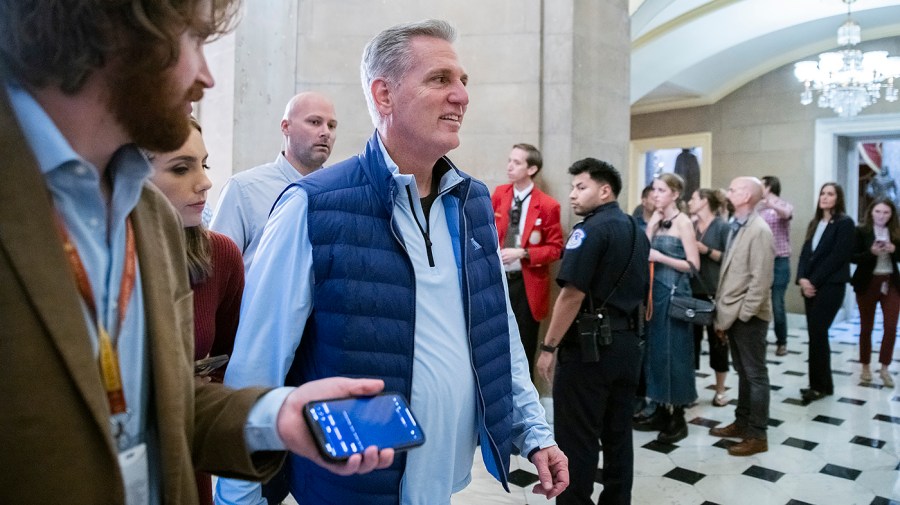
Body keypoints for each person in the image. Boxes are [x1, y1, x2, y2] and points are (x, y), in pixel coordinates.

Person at [0, 1, 394, 503]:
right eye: (195, 40)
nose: (206, 77)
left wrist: (278, 416)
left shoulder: (149, 213)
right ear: (113, 30)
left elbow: (160, 405)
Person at [216, 19, 568, 505]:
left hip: (442, 476)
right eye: (441, 80)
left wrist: (534, 430)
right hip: (357, 480)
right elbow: (258, 364)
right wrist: (239, 497)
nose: (462, 96)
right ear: (384, 95)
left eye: (463, 82)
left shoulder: (472, 203)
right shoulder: (313, 205)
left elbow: (495, 328)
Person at [535, 158, 650, 505]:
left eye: (580, 187)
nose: (572, 194)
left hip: (589, 350)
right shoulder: (635, 229)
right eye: (572, 187)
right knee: (618, 435)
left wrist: (549, 347)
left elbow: (571, 294)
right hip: (628, 344)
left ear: (604, 190)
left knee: (577, 438)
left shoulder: (589, 231)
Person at [147, 118, 245, 504]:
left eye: (204, 164)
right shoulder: (103, 258)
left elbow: (229, 359)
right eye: (181, 168)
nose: (204, 182)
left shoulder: (220, 255)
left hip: (187, 447)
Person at [210, 91, 337, 271]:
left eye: (331, 126)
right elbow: (217, 271)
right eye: (314, 122)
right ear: (286, 126)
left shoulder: (340, 194)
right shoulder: (244, 190)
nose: (326, 133)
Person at [707, 177, 774, 457]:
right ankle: (742, 422)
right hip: (733, 313)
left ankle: (757, 435)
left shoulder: (759, 229)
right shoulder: (739, 224)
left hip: (748, 316)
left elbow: (760, 281)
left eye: (733, 189)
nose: (727, 192)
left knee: (755, 375)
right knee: (744, 373)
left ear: (746, 195)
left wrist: (743, 315)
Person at [634, 173, 699, 444]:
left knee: (675, 353)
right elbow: (641, 250)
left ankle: (678, 416)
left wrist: (661, 257)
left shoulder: (684, 223)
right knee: (655, 353)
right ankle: (660, 407)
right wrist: (651, 228)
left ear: (674, 193)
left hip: (674, 294)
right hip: (653, 295)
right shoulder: (656, 221)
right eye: (654, 190)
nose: (655, 194)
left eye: (661, 190)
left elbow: (693, 265)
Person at [491, 143, 564, 375]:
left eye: (517, 162)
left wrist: (523, 253)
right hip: (498, 280)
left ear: (531, 169)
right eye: (509, 160)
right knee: (495, 345)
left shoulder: (548, 205)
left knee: (523, 347)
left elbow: (556, 249)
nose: (509, 166)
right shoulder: (499, 194)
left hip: (527, 284)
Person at [797, 182, 854, 404]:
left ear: (838, 198)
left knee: (819, 332)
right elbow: (805, 253)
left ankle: (820, 386)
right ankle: (820, 384)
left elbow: (837, 257)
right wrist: (802, 279)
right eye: (823, 193)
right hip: (809, 285)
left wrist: (813, 281)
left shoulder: (844, 223)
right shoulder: (815, 223)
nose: (825, 197)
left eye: (830, 194)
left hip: (830, 286)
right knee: (815, 336)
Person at [850, 197, 900, 388]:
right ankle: (865, 366)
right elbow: (853, 257)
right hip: (868, 282)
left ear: (891, 215)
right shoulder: (861, 231)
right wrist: (871, 252)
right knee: (866, 327)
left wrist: (893, 249)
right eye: (878, 212)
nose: (881, 216)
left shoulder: (895, 232)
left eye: (886, 212)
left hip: (891, 281)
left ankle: (885, 368)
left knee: (891, 326)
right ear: (871, 212)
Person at [687, 188, 730, 407]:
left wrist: (706, 250)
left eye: (694, 198)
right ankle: (690, 390)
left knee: (718, 343)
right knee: (691, 343)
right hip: (692, 292)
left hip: (715, 292)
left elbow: (730, 258)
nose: (690, 201)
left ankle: (720, 390)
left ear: (704, 201)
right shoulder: (690, 225)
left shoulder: (723, 227)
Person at [759, 176, 793, 356]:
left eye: (761, 184)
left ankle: (782, 341)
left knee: (777, 303)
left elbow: (786, 214)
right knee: (761, 302)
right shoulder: (759, 209)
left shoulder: (782, 205)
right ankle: (761, 339)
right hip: (762, 261)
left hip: (780, 261)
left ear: (769, 187)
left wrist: (771, 204)